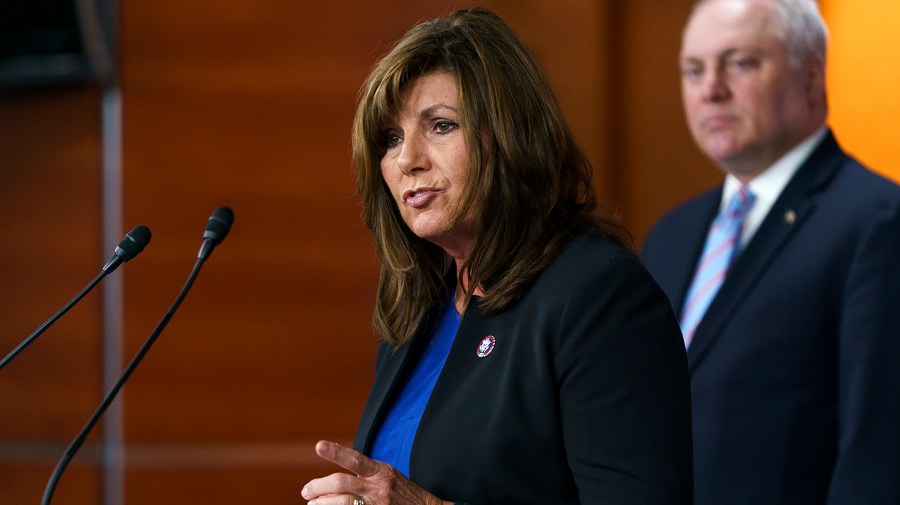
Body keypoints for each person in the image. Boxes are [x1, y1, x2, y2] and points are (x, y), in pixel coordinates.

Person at [301, 7, 693, 505]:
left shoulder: (598, 298)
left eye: (440, 126)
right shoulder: (420, 311)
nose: (407, 160)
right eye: (391, 139)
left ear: (511, 138)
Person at [641, 0, 900, 504]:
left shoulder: (876, 222)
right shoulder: (671, 233)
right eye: (693, 70)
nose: (710, 90)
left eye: (740, 63)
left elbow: (879, 450)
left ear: (811, 76)